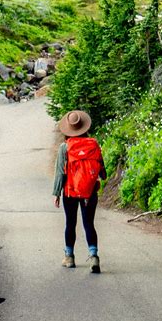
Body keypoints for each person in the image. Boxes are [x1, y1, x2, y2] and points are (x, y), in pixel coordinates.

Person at [53, 109, 106, 273]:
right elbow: (103, 173)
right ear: (84, 127)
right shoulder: (94, 145)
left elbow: (60, 172)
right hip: (89, 192)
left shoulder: (64, 147)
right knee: (88, 223)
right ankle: (94, 256)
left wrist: (56, 193)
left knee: (71, 223)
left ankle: (69, 257)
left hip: (70, 192)